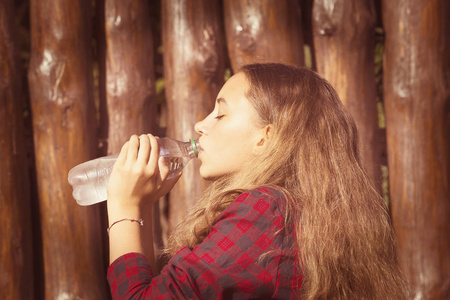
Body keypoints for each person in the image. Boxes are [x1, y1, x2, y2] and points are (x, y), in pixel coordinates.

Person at [106, 63, 408, 299]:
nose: (200, 125)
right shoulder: (301, 215)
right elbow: (159, 290)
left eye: (220, 114)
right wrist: (142, 206)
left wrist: (123, 207)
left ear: (266, 138)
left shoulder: (267, 212)